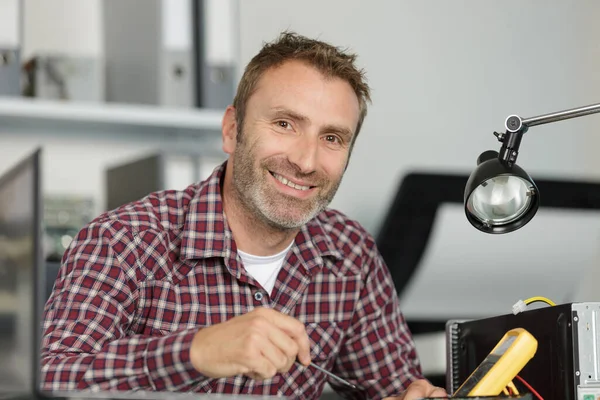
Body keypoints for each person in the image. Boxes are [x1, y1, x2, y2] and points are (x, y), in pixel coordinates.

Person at [41, 31, 447, 400]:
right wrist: (195, 352)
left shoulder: (351, 254)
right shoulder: (121, 239)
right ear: (232, 130)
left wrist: (412, 395)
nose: (306, 161)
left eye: (331, 138)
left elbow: (391, 387)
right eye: (285, 123)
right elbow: (53, 376)